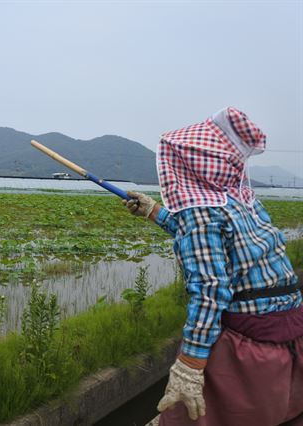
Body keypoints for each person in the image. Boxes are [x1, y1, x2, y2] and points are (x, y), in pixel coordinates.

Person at [124, 107, 303, 425]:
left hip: (250, 344)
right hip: (290, 328)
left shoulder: (200, 211)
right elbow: (212, 240)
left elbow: (210, 289)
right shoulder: (240, 198)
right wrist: (153, 211)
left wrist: (189, 365)